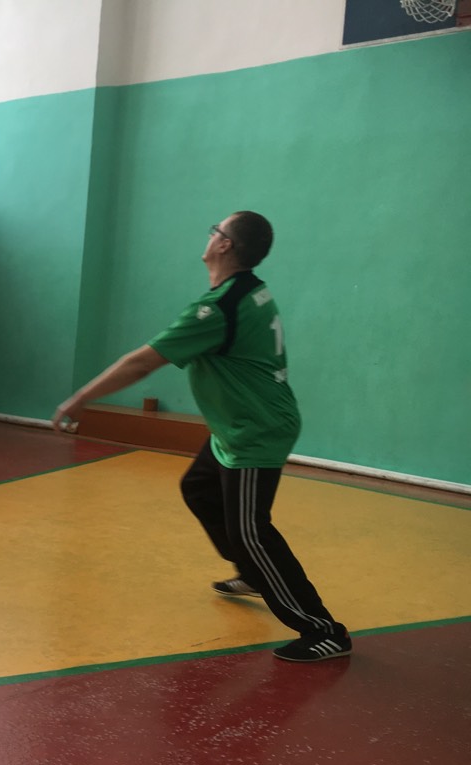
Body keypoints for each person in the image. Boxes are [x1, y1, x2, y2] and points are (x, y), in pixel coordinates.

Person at [52, 211, 351, 663]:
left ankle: (323, 629)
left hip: (255, 431)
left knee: (251, 531)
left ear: (225, 245)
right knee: (199, 488)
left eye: (216, 230)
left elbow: (142, 362)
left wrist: (81, 399)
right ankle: (253, 572)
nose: (210, 235)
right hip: (237, 427)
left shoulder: (218, 309)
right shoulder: (248, 290)